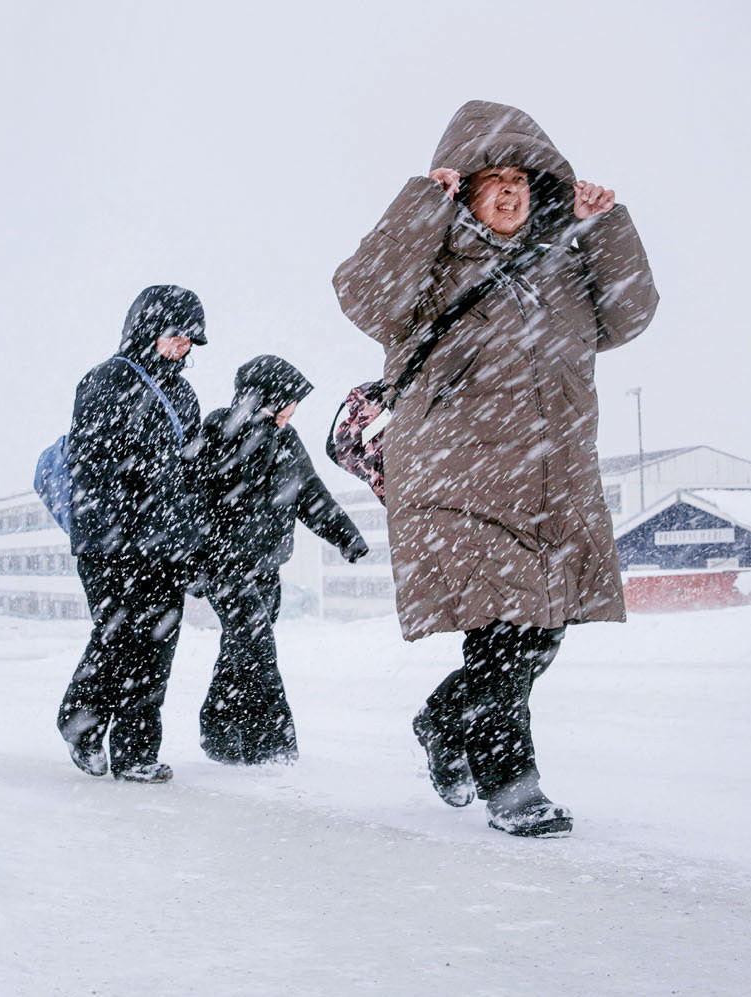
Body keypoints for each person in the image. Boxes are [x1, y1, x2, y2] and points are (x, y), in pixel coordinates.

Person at [331, 101, 659, 837]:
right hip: (458, 480)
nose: (509, 189)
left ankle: (444, 721)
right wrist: (422, 206)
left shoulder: (563, 264)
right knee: (506, 633)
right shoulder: (434, 264)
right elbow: (364, 295)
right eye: (491, 178)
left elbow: (630, 316)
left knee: (541, 634)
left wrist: (603, 228)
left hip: (550, 481)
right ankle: (512, 785)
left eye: (520, 177)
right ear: (465, 189)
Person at [57, 284, 207, 784]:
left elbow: (189, 478)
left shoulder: (184, 395)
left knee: (156, 648)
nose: (184, 346)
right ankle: (81, 725)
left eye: (191, 339)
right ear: (147, 329)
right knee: (117, 638)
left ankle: (137, 752)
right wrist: (115, 537)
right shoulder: (107, 380)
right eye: (177, 334)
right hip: (112, 543)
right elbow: (91, 468)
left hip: (165, 547)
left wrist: (190, 545)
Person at [195, 355, 369, 765]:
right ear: (264, 398)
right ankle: (271, 747)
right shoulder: (220, 429)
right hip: (225, 567)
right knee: (256, 648)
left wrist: (347, 537)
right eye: (288, 402)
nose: (292, 411)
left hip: (266, 567)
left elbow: (311, 494)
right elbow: (195, 499)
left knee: (239, 650)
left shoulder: (287, 440)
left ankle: (219, 732)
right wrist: (195, 562)